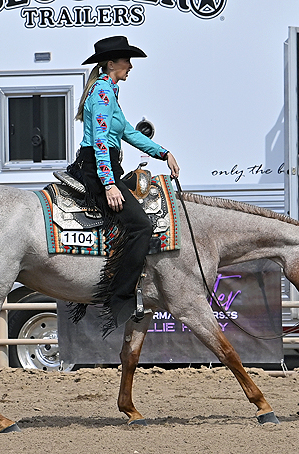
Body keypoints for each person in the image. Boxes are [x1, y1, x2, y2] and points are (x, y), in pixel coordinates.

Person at [68, 35, 180, 333]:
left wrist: (163, 153)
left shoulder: (108, 92)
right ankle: (120, 297)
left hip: (104, 166)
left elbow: (128, 132)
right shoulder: (102, 94)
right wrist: (109, 184)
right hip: (98, 169)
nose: (130, 66)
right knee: (140, 226)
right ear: (111, 64)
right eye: (126, 60)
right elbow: (100, 142)